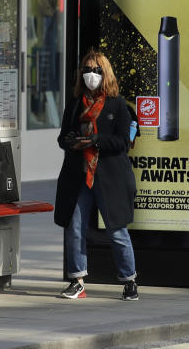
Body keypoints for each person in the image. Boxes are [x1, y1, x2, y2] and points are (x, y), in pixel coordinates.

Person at [54, 49, 138, 301]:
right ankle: (77, 281)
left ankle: (129, 281)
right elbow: (62, 139)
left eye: (96, 70)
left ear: (106, 74)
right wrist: (71, 141)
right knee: (75, 227)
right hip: (78, 175)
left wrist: (96, 140)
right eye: (87, 70)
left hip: (109, 176)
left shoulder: (118, 105)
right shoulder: (74, 105)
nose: (91, 75)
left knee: (116, 230)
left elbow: (123, 142)